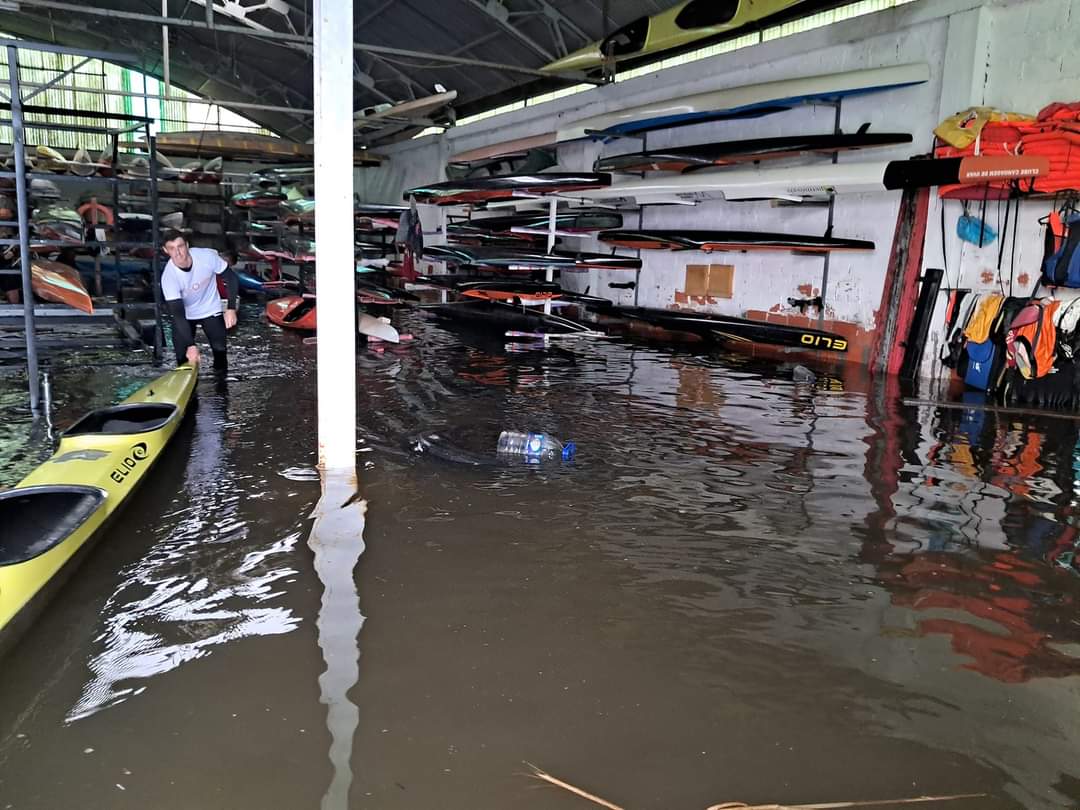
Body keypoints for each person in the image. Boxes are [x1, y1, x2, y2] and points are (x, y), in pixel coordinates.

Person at [160, 230, 239, 371]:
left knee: (220, 351)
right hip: (185, 315)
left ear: (187, 245)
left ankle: (221, 389)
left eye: (180, 246)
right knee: (182, 358)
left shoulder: (206, 257)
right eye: (172, 249)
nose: (178, 253)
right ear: (166, 251)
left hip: (210, 308)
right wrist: (191, 345)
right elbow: (178, 315)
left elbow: (231, 278)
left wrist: (231, 308)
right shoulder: (169, 277)